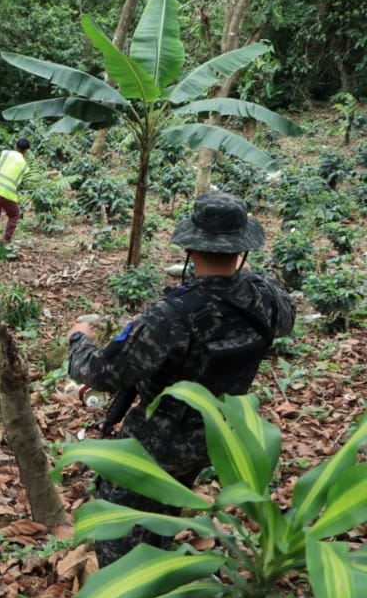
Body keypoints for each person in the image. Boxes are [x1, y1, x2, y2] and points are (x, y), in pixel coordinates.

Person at [66, 193, 294, 566]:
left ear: (190, 245)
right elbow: (284, 319)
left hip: (153, 445)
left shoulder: (173, 316)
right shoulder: (267, 299)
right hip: (214, 438)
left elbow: (103, 373)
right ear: (243, 248)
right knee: (169, 508)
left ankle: (119, 596)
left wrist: (80, 340)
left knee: (117, 525)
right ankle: (157, 567)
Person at [0, 137, 31, 245]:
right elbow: (19, 182)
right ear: (26, 151)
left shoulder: (4, 153)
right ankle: (6, 240)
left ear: (15, 146)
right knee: (14, 215)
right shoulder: (24, 165)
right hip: (7, 193)